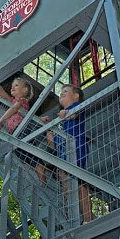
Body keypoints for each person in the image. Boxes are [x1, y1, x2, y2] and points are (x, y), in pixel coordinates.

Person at [41, 84, 92, 223]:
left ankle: (88, 219)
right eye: (60, 92)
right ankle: (72, 219)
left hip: (76, 148)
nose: (61, 94)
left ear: (76, 96)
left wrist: (66, 114)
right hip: (64, 153)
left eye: (65, 91)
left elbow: (74, 114)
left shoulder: (76, 107)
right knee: (66, 186)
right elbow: (53, 144)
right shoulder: (62, 120)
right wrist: (49, 126)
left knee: (80, 184)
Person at [0, 70, 44, 178]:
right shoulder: (13, 100)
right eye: (12, 86)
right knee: (22, 155)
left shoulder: (22, 101)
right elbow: (1, 92)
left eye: (16, 85)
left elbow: (14, 109)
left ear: (25, 90)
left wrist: (0, 121)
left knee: (28, 152)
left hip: (21, 129)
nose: (12, 87)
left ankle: (39, 167)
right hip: (16, 133)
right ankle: (38, 168)